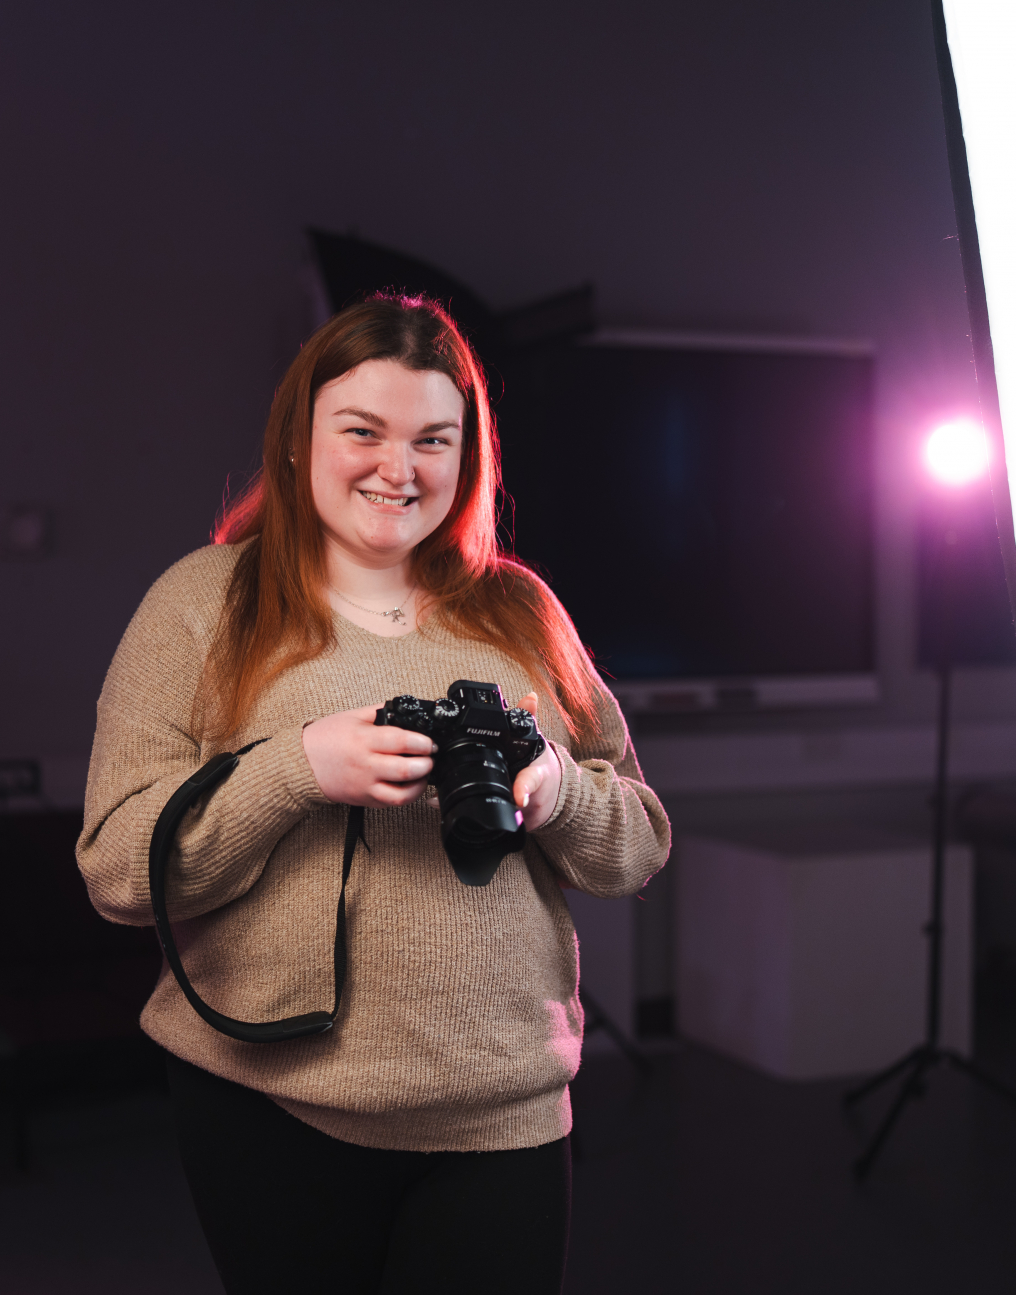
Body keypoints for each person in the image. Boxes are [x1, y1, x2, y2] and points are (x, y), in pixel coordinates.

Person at [77, 294, 670, 1294]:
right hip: (268, 1095)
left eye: (433, 439)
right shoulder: (205, 600)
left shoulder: (520, 610)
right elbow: (116, 871)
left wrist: (555, 790)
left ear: (464, 457)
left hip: (500, 1106)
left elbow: (639, 842)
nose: (399, 468)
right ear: (299, 440)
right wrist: (294, 769)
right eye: (363, 430)